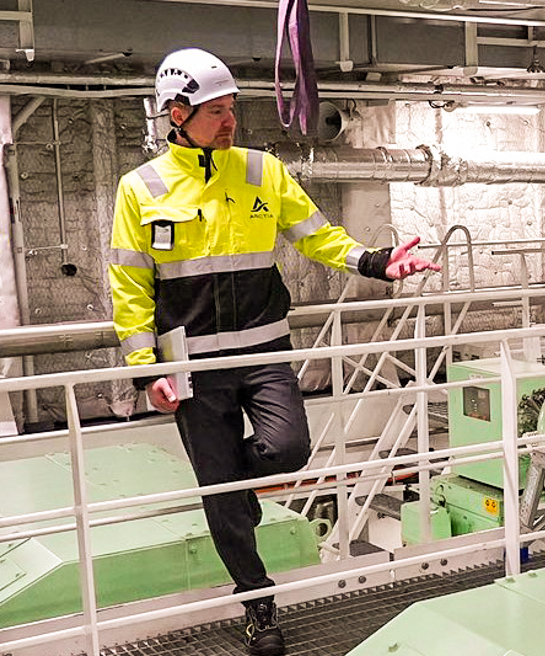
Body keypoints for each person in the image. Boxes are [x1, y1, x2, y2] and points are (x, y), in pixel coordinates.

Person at [109, 48, 440, 656]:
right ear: (175, 114)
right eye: (215, 109)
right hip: (189, 364)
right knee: (222, 498)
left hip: (263, 348)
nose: (230, 119)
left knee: (286, 449)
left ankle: (225, 485)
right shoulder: (141, 189)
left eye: (233, 106)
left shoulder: (263, 170)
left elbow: (317, 237)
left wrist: (377, 262)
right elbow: (129, 286)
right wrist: (143, 368)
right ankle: (258, 605)